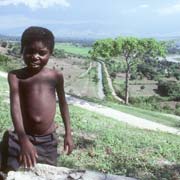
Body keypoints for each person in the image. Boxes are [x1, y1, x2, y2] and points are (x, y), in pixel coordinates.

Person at [0, 26, 74, 174]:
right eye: (30, 51)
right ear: (22, 51)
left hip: (47, 141)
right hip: (21, 136)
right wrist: (23, 140)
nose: (35, 56)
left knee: (46, 173)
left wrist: (68, 134)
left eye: (42, 53)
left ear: (50, 53)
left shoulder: (55, 76)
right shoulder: (15, 76)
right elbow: (15, 108)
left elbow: (63, 105)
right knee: (7, 171)